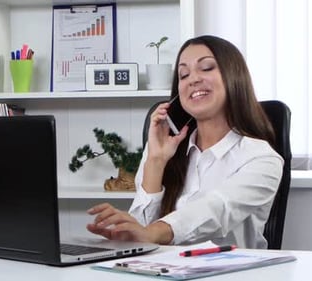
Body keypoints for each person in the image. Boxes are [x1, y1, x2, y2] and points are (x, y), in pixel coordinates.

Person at [86, 35, 284, 249]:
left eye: (206, 68)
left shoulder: (262, 159)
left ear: (234, 77)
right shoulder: (165, 150)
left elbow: (216, 210)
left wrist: (150, 232)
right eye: (184, 74)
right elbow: (140, 235)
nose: (193, 79)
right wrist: (156, 160)